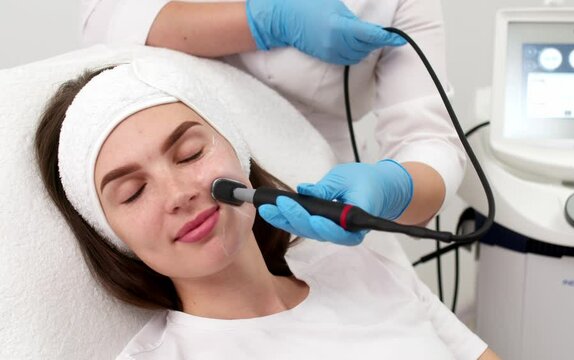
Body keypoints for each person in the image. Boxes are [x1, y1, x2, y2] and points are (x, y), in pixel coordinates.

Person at [34, 59, 498, 359]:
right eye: (133, 192)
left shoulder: (354, 265)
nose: (178, 194)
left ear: (237, 152)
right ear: (113, 234)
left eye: (191, 153)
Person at [80, 0, 466, 247]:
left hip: (324, 197)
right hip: (208, 219)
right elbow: (106, 22)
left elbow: (429, 139)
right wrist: (264, 21)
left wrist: (392, 188)